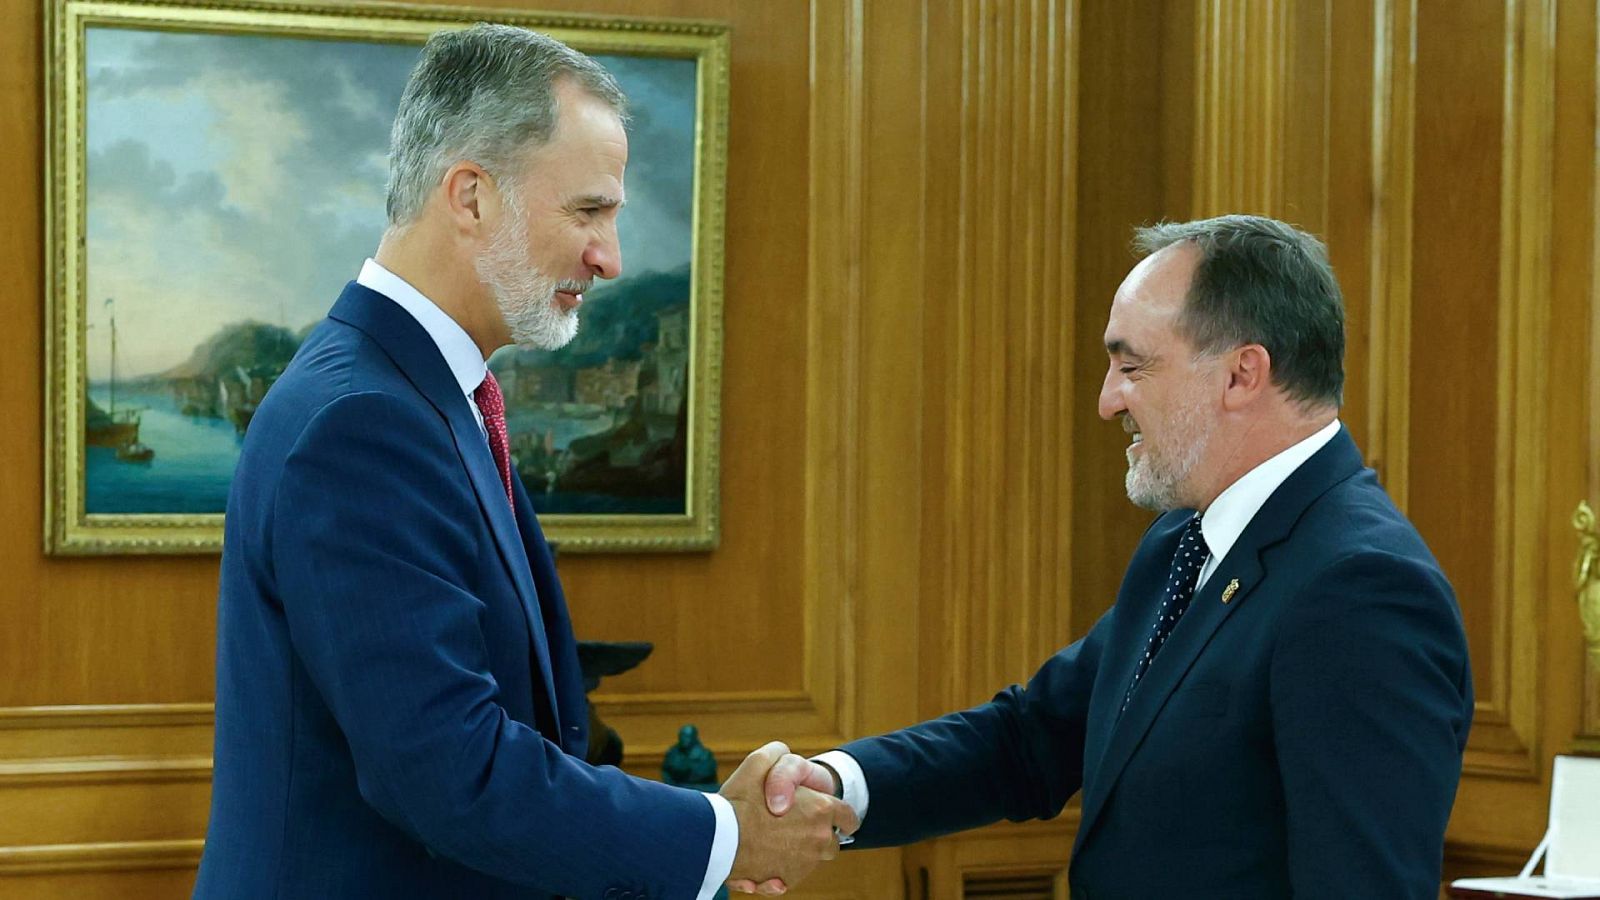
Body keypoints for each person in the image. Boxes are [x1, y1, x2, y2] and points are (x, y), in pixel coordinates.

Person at [194, 24, 853, 900]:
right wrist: (722, 837)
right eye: (588, 211)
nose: (611, 258)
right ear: (470, 196)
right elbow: (448, 773)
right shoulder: (361, 423)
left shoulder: (419, 396)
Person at [750, 215, 1474, 899]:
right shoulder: (1184, 544)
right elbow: (1033, 737)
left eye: (1133, 367)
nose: (1107, 401)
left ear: (1241, 375)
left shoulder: (1362, 589)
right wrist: (835, 784)